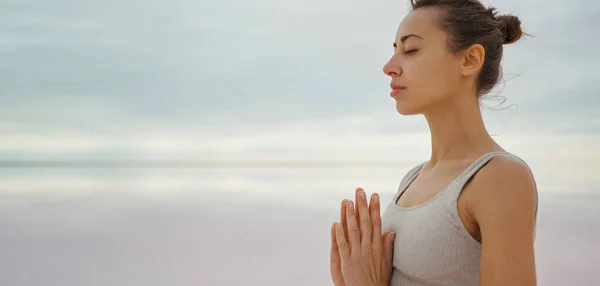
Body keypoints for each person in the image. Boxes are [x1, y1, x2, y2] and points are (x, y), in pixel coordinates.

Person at [329, 0, 539, 285]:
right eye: (394, 51)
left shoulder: (500, 177)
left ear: (469, 60)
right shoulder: (413, 178)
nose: (389, 67)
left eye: (410, 50)